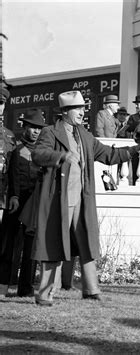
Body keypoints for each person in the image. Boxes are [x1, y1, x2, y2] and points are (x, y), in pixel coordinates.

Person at [31, 91, 140, 306]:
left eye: (83, 108)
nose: (83, 112)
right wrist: (60, 156)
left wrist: (137, 149)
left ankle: (91, 290)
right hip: (58, 201)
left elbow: (110, 156)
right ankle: (45, 295)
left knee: (86, 242)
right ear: (65, 112)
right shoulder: (50, 132)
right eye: (78, 109)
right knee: (52, 244)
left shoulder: (85, 135)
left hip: (82, 199)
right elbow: (38, 155)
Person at [0, 109, 46, 297]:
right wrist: (13, 197)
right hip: (15, 202)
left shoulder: (43, 153)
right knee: (6, 245)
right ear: (24, 126)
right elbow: (11, 178)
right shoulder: (16, 149)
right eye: (32, 127)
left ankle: (25, 289)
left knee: (30, 248)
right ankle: (2, 286)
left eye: (38, 128)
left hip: (34, 205)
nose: (35, 131)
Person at [0, 82, 17, 297]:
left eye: (2, 104)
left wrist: (13, 194)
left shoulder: (9, 136)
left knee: (3, 244)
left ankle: (2, 287)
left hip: (3, 197)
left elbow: (12, 170)